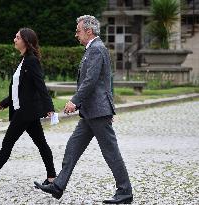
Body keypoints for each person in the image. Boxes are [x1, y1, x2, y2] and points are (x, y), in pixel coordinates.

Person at [34, 15, 133, 204]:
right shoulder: (93, 49)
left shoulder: (96, 49)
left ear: (89, 31)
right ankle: (58, 186)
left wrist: (75, 101)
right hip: (91, 112)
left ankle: (125, 192)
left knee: (111, 152)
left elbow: (91, 80)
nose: (76, 35)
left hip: (97, 111)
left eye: (78, 31)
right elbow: (106, 82)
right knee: (73, 147)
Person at [0, 28, 57, 188]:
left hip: (25, 112)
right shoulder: (24, 60)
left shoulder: (31, 60)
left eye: (17, 37)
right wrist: (5, 102)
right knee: (41, 144)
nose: (14, 39)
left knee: (7, 143)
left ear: (25, 41)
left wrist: (49, 107)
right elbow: (19, 89)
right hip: (24, 111)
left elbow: (40, 85)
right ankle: (52, 178)